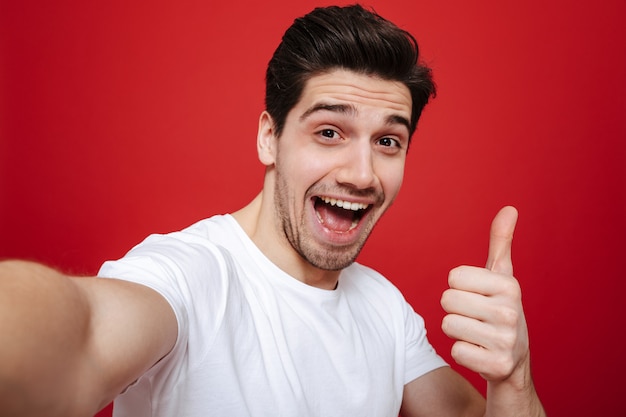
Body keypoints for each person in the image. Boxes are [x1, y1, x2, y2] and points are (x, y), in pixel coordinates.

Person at [0, 5, 545, 417]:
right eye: (329, 132)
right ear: (270, 137)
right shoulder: (189, 276)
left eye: (387, 142)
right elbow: (82, 334)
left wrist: (514, 377)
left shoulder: (384, 309)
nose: (361, 174)